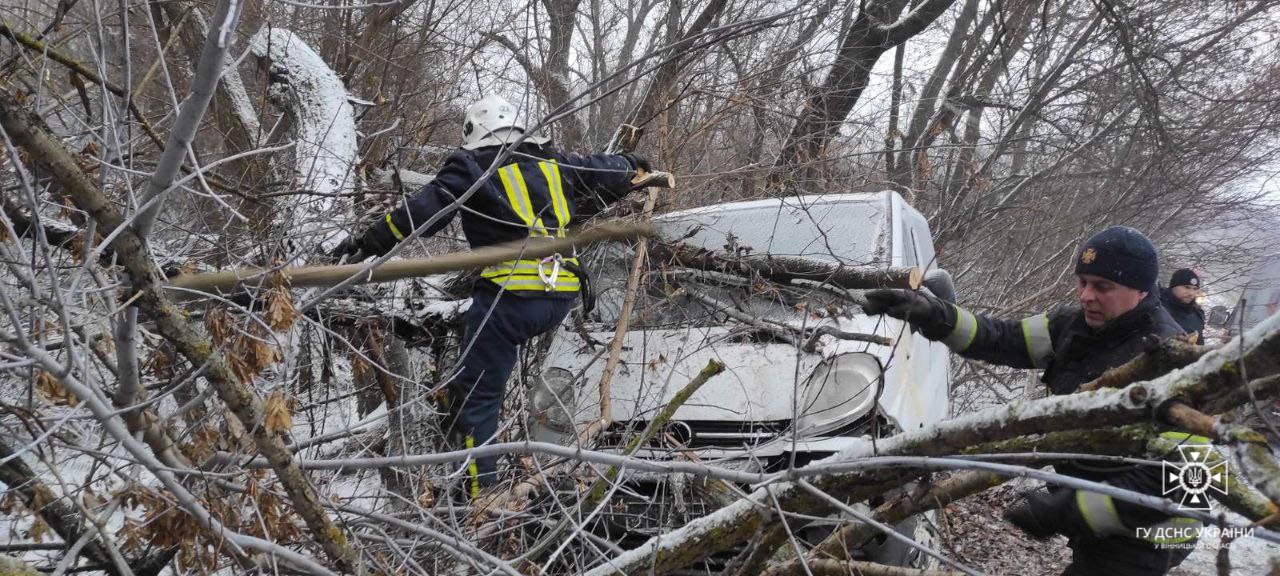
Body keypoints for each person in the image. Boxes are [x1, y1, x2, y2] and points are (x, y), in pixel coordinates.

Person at [332, 95, 651, 498]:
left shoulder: (471, 166)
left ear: (472, 134)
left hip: (510, 299)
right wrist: (632, 161)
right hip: (560, 298)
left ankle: (482, 495)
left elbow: (421, 214)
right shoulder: (557, 161)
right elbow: (607, 169)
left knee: (478, 399)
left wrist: (367, 243)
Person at [862, 226, 1199, 576]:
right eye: (1082, 282)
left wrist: (1070, 509)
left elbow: (1190, 478)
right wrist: (936, 315)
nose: (1086, 296)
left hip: (1152, 532)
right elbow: (1002, 339)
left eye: (1102, 287)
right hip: (1098, 518)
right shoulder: (1074, 327)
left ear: (1142, 290)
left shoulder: (1170, 358)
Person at [1160, 268, 1205, 344]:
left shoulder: (1197, 314)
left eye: (1195, 289)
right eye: (1186, 287)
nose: (1191, 293)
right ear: (1173, 286)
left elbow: (1198, 345)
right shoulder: (1157, 305)